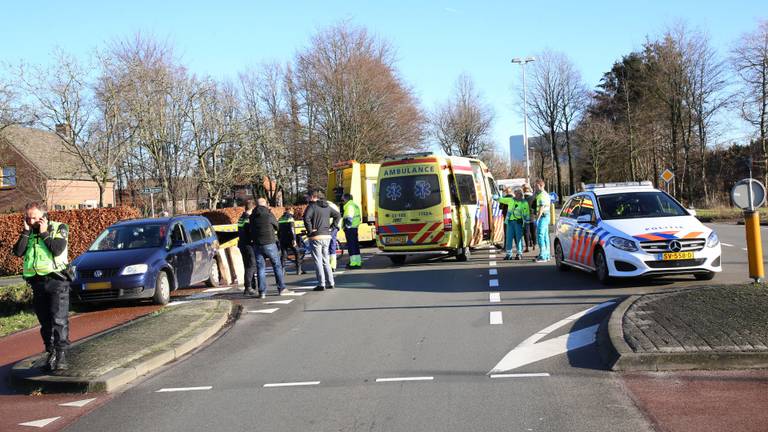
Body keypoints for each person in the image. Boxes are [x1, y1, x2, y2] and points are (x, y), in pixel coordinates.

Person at [12, 202, 71, 371]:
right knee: (45, 322)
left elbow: (57, 250)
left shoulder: (59, 227)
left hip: (57, 281)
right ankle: (50, 352)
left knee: (58, 320)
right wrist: (25, 231)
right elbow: (18, 252)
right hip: (37, 282)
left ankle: (61, 355)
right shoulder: (28, 232)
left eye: (34, 218)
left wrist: (44, 232)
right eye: (28, 218)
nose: (31, 221)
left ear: (44, 216)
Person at [249, 198, 292, 298]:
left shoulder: (252, 216)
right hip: (269, 243)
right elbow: (277, 226)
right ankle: (281, 288)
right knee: (276, 265)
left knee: (261, 268)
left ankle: (262, 292)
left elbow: (250, 228)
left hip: (257, 244)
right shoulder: (269, 215)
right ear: (266, 204)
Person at [303, 190, 341, 291]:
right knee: (326, 260)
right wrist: (333, 227)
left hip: (316, 236)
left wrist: (310, 231)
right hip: (327, 236)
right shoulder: (327, 206)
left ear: (312, 197)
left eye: (308, 197)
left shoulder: (311, 206)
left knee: (318, 261)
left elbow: (306, 218)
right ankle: (331, 282)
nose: (307, 199)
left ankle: (321, 284)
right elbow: (338, 215)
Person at [495, 188, 530, 260]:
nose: (518, 196)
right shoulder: (511, 200)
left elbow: (526, 214)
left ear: (521, 195)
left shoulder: (524, 203)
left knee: (518, 239)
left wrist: (526, 222)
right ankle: (508, 254)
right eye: (516, 194)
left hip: (518, 222)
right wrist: (496, 198)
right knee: (509, 238)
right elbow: (502, 200)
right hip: (509, 222)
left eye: (519, 194)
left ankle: (519, 253)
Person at [237, 200, 258, 296]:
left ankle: (251, 286)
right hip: (249, 245)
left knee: (247, 265)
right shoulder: (248, 219)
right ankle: (248, 287)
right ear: (253, 208)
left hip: (242, 244)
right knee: (251, 265)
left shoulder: (241, 218)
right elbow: (251, 232)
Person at [278, 209, 303, 276]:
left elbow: (278, 230)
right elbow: (292, 230)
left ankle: (282, 270)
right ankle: (298, 269)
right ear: (290, 211)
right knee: (297, 252)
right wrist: (294, 239)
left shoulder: (280, 219)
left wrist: (279, 239)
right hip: (290, 239)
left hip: (283, 239)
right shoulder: (290, 218)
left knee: (284, 255)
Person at [341, 193, 362, 269]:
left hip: (350, 229)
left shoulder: (349, 206)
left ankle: (353, 263)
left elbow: (348, 219)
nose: (342, 201)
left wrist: (346, 228)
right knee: (355, 245)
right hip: (355, 227)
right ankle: (357, 262)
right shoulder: (355, 205)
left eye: (343, 199)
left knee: (351, 246)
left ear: (346, 199)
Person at [533, 180, 552, 262]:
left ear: (541, 186)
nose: (535, 188)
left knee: (540, 235)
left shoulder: (542, 195)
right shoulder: (545, 194)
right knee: (545, 236)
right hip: (546, 216)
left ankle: (543, 255)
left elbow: (541, 208)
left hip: (543, 216)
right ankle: (547, 254)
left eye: (536, 186)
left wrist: (537, 219)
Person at [327, 200, 342, 271]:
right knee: (332, 245)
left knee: (326, 246)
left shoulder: (326, 205)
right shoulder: (332, 205)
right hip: (335, 227)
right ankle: (333, 266)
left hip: (330, 227)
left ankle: (329, 265)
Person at [524, 184, 536, 253]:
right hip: (533, 217)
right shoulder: (534, 198)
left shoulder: (522, 199)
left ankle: (527, 247)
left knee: (526, 233)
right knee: (533, 232)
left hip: (525, 218)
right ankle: (534, 245)